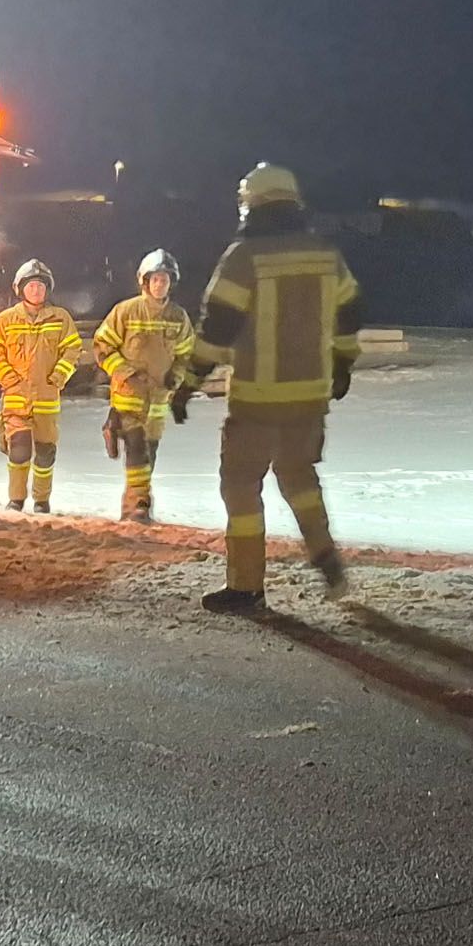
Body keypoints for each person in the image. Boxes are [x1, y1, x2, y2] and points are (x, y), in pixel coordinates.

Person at [170, 163, 362, 613]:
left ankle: (246, 585)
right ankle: (325, 557)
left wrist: (188, 384)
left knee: (240, 485)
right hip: (310, 396)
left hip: (257, 398)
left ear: (250, 204)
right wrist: (342, 363)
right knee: (299, 478)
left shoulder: (243, 257)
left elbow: (217, 327)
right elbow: (350, 310)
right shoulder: (324, 254)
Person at [92, 248, 196, 523]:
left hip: (159, 398)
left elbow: (186, 352)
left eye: (165, 280)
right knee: (136, 447)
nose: (160, 284)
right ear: (145, 281)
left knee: (148, 453)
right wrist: (125, 372)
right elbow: (102, 346)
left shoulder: (178, 317)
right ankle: (141, 504)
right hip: (129, 395)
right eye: (156, 279)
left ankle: (131, 508)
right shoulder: (125, 311)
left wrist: (177, 376)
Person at [0, 259, 83, 512]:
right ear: (20, 289)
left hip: (47, 399)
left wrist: (59, 376)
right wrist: (8, 378)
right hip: (16, 398)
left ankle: (41, 501)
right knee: (19, 449)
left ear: (48, 290)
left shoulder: (61, 318)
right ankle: (16, 500)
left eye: (40, 286)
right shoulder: (6, 319)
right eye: (31, 286)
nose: (36, 291)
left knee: (46, 452)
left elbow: (73, 349)